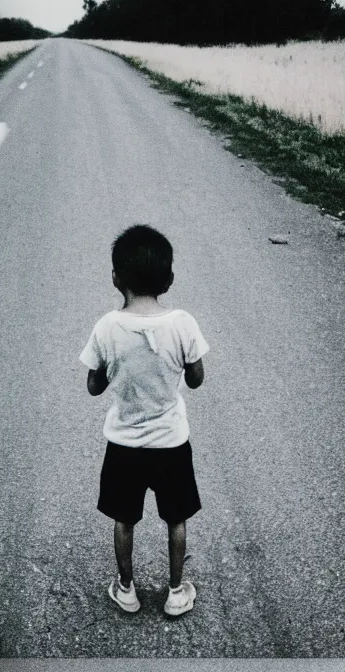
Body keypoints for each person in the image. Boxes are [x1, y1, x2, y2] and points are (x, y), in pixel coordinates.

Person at [79, 224, 209, 616]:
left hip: (124, 444)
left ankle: (126, 589)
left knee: (124, 519)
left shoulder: (106, 327)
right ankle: (174, 591)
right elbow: (196, 378)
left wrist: (111, 368)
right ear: (169, 280)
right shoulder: (182, 323)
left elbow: (93, 386)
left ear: (116, 278)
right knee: (176, 519)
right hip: (171, 442)